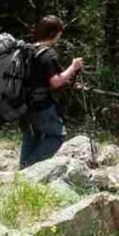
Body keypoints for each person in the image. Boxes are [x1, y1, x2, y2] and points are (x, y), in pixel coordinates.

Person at [19, 15, 84, 168]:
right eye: (60, 33)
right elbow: (55, 82)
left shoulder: (28, 50)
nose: (60, 37)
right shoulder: (48, 54)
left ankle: (22, 170)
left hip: (24, 103)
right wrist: (73, 67)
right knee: (57, 136)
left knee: (31, 135)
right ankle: (30, 166)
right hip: (41, 105)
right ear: (54, 33)